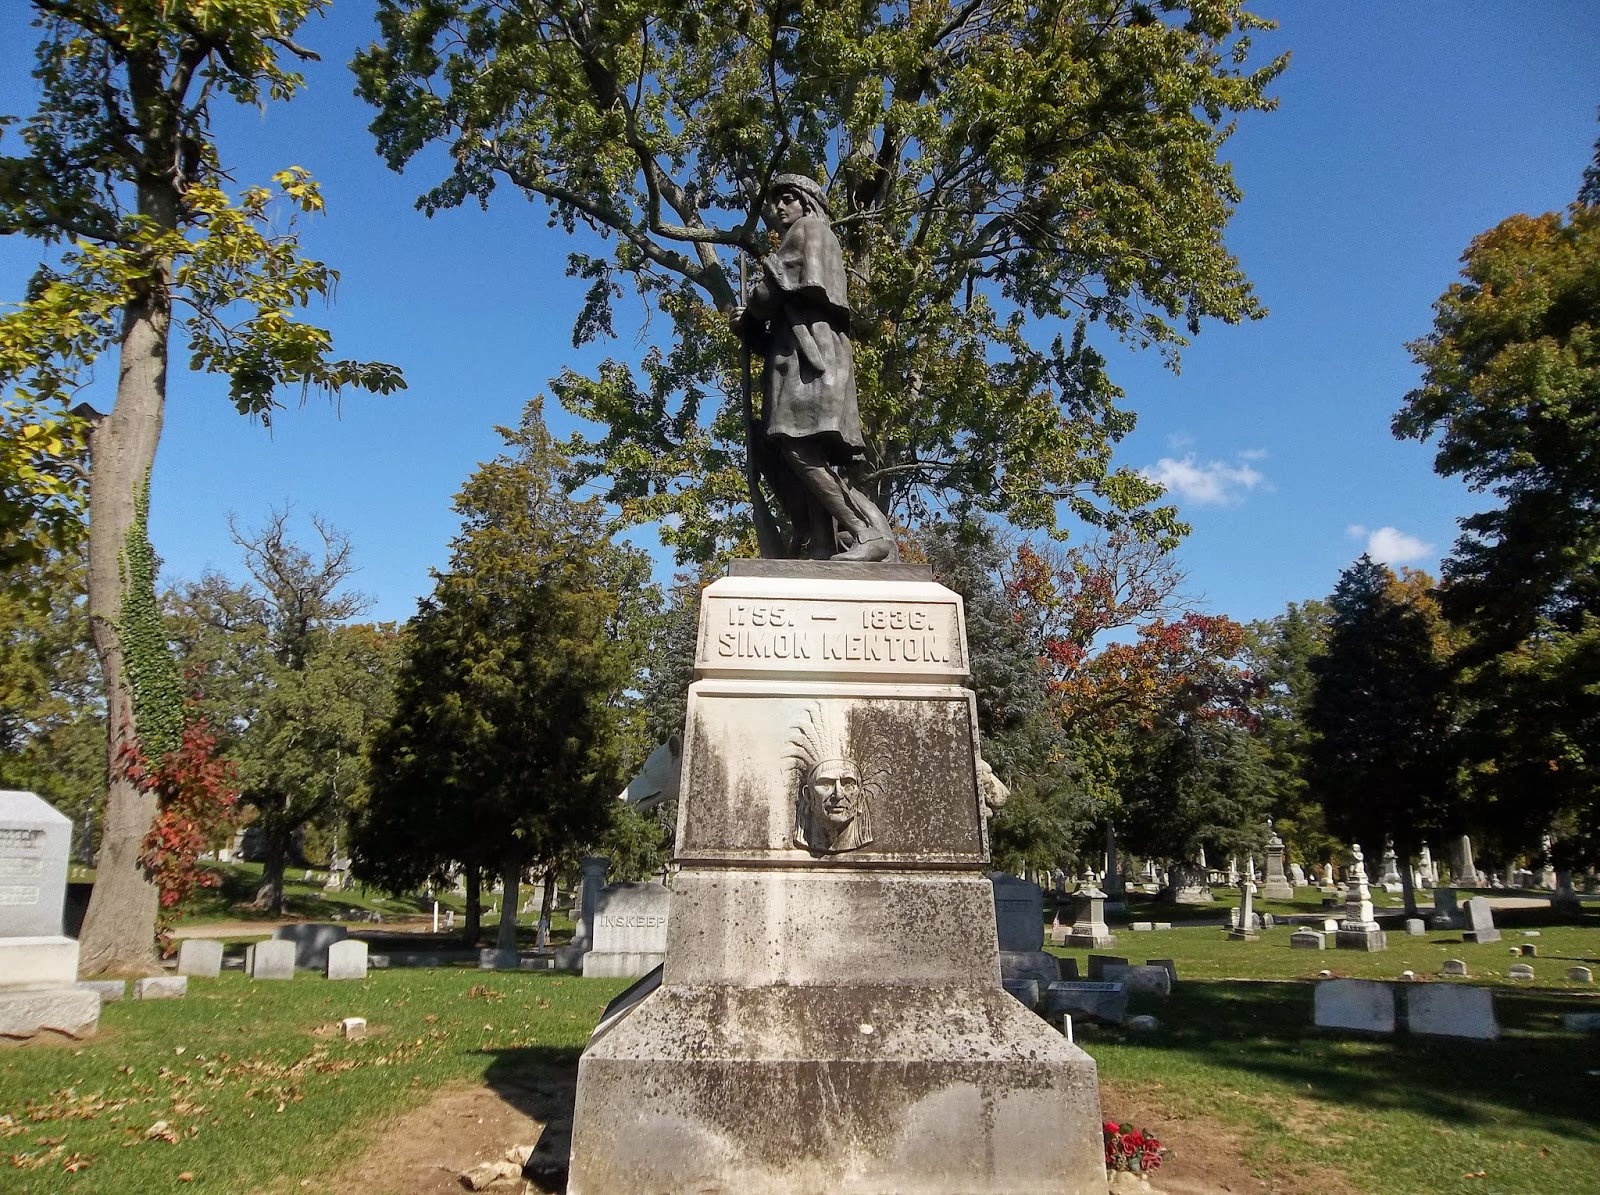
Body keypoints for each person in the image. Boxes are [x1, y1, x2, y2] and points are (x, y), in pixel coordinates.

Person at [733, 174, 896, 561]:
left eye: (786, 199)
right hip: (804, 355)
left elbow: (772, 292)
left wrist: (750, 310)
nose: (778, 209)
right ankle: (822, 545)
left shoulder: (808, 230)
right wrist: (752, 324)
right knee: (805, 450)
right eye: (774, 203)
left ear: (806, 202)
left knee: (795, 445)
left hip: (810, 360)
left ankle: (865, 533)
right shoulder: (816, 236)